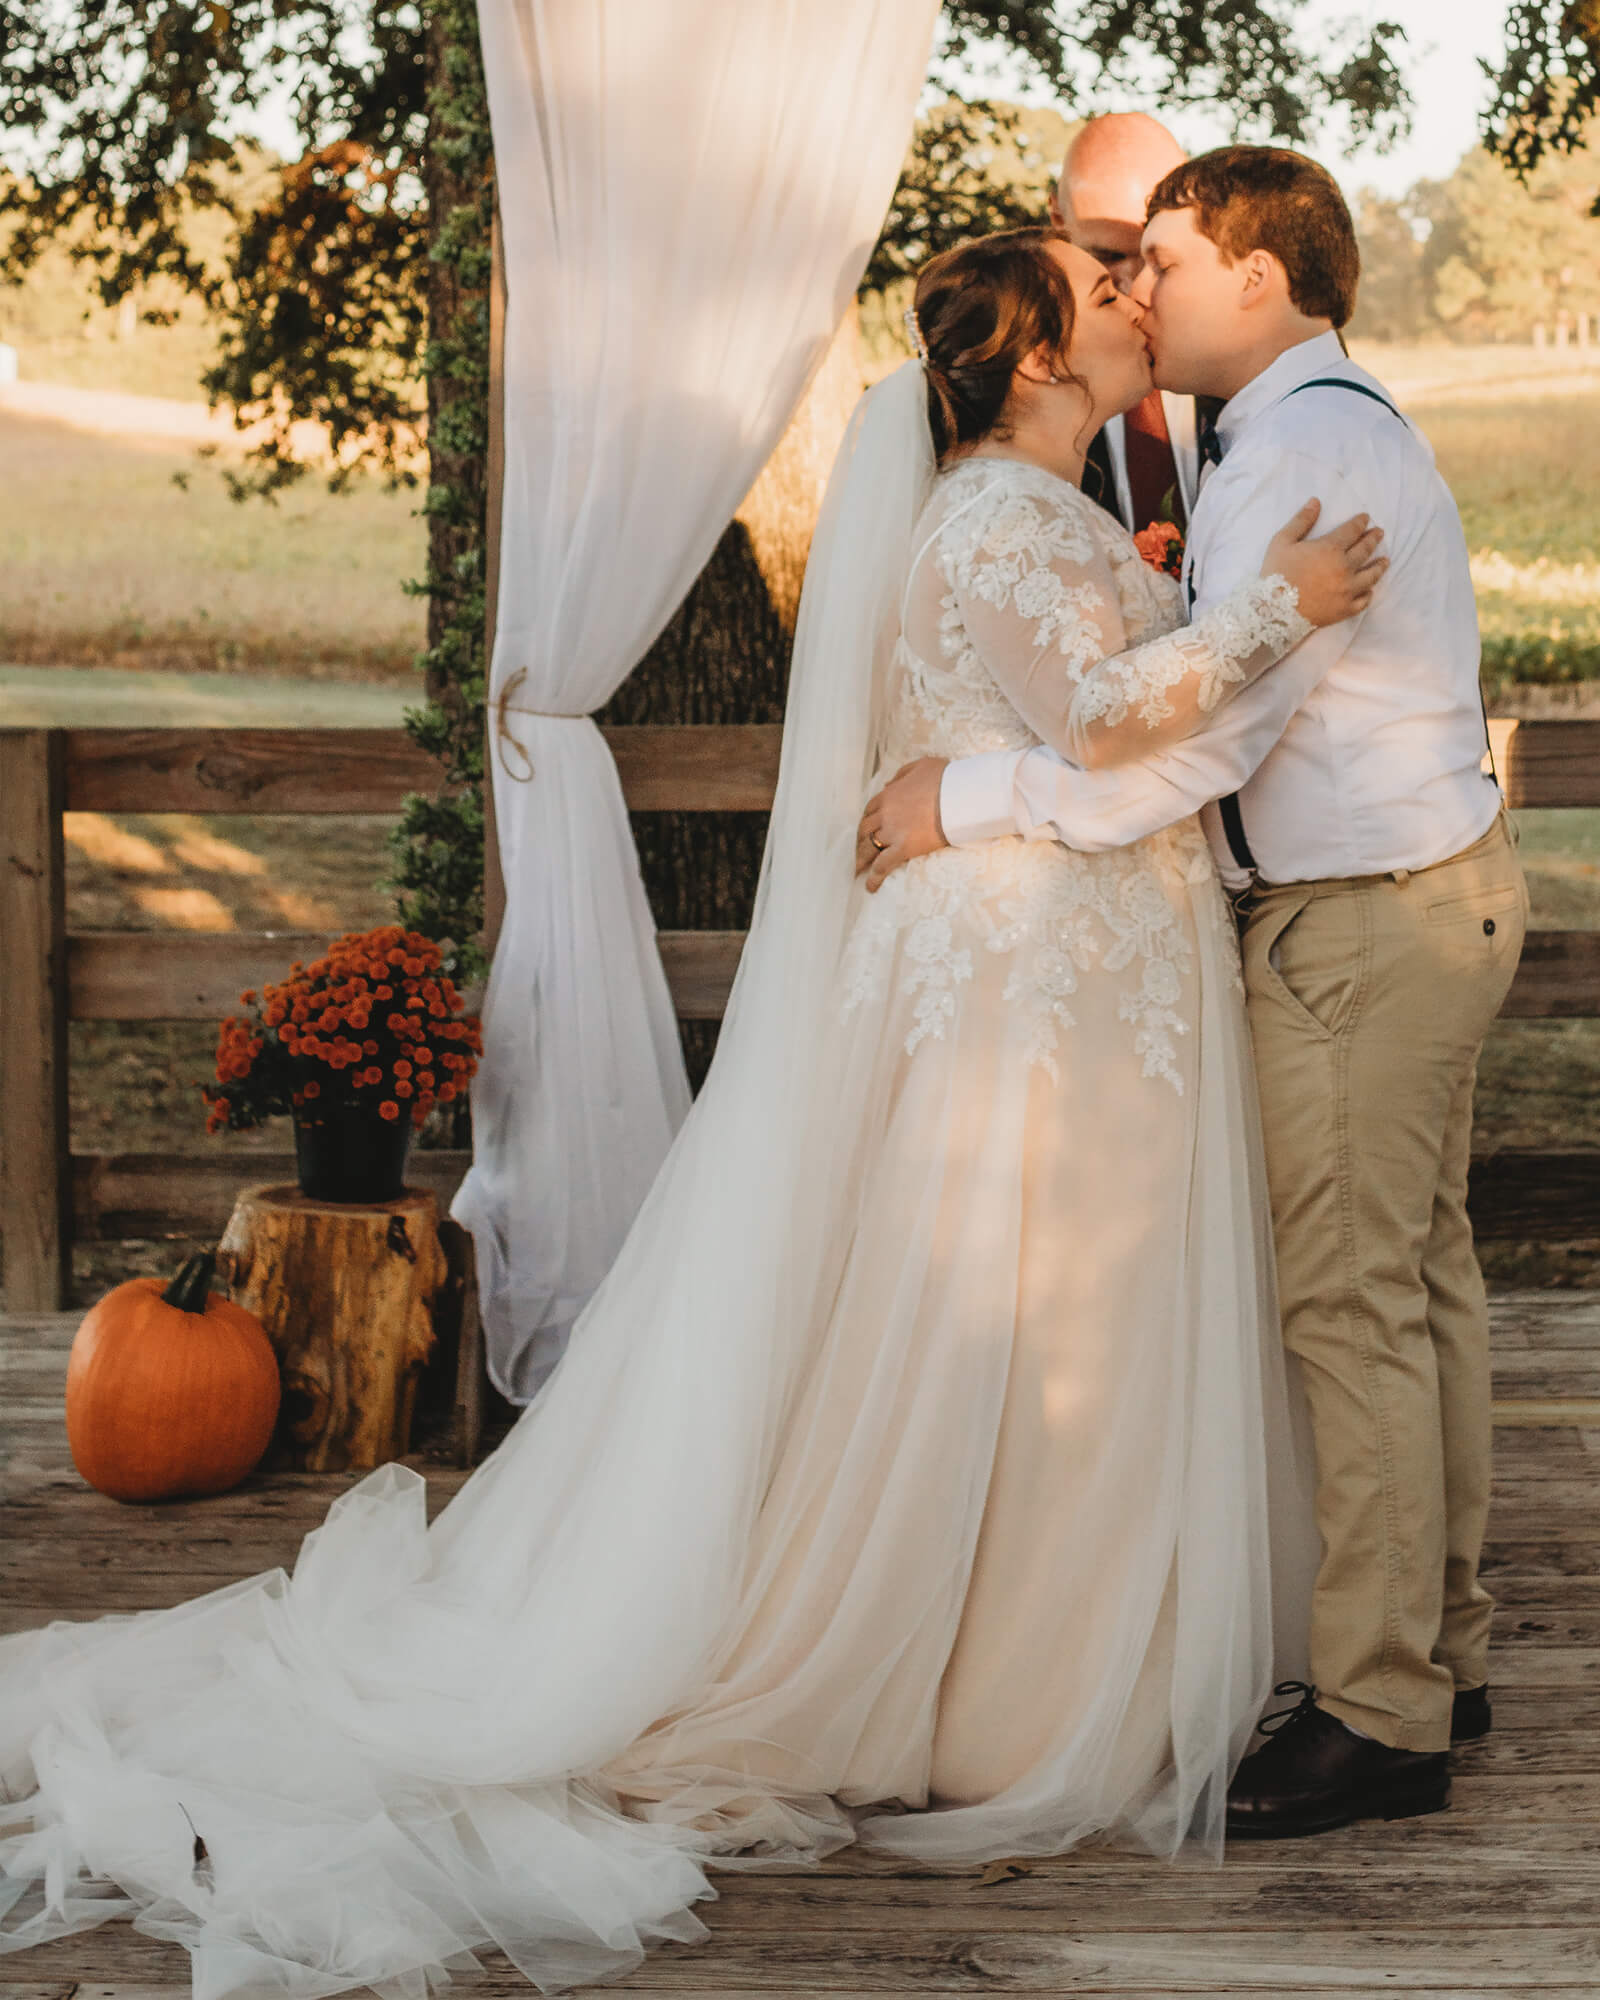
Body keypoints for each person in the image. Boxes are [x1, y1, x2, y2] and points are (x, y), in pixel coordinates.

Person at [0, 228, 1382, 1999]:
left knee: (1041, 1314)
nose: (1128, 296)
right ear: (1031, 356)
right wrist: (1281, 606)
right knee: (1009, 1313)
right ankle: (1002, 1688)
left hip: (1066, 960)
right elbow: (1108, 720)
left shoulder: (1043, 512)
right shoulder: (1001, 515)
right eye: (1094, 285)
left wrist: (1184, 598)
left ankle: (1023, 1662)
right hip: (1034, 974)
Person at [859, 147, 1528, 1841]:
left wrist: (973, 799)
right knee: (1416, 1286)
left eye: (1159, 255)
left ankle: (1384, 1716)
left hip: (1365, 920)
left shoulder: (1300, 441)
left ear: (1256, 270)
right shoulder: (1294, 431)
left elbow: (1212, 734)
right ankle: (1431, 1650)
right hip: (1415, 901)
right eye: (1116, 272)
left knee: (1356, 1306)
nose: (1140, 287)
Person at [1049, 112, 1201, 532]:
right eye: (1109, 257)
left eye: (1159, 258)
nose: (1137, 288)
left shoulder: (1243, 347)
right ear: (1057, 215)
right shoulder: (1030, 377)